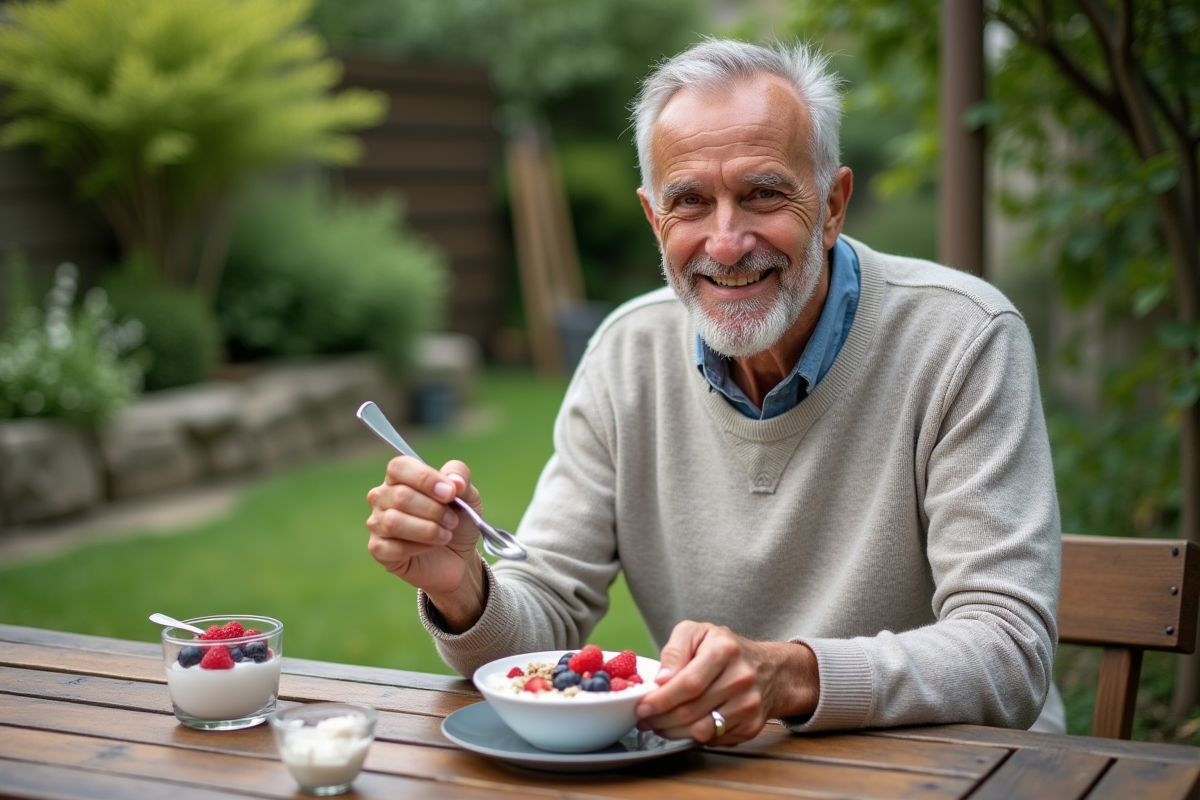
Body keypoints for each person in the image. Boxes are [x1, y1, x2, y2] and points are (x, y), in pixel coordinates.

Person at [366, 37, 1063, 744]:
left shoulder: (964, 338)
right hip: (723, 771)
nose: (726, 243)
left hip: (956, 768)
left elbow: (1008, 650)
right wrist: (461, 588)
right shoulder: (626, 354)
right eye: (691, 202)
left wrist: (792, 676)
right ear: (654, 219)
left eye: (763, 194)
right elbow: (542, 616)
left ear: (832, 206)